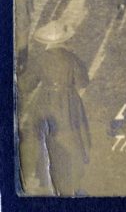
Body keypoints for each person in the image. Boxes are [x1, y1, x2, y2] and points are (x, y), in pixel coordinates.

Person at [26, 20, 90, 196]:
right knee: (73, 139)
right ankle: (76, 184)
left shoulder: (40, 59)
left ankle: (50, 180)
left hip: (46, 101)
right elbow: (84, 82)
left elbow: (29, 84)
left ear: (46, 41)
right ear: (63, 40)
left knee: (48, 139)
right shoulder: (72, 58)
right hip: (69, 103)